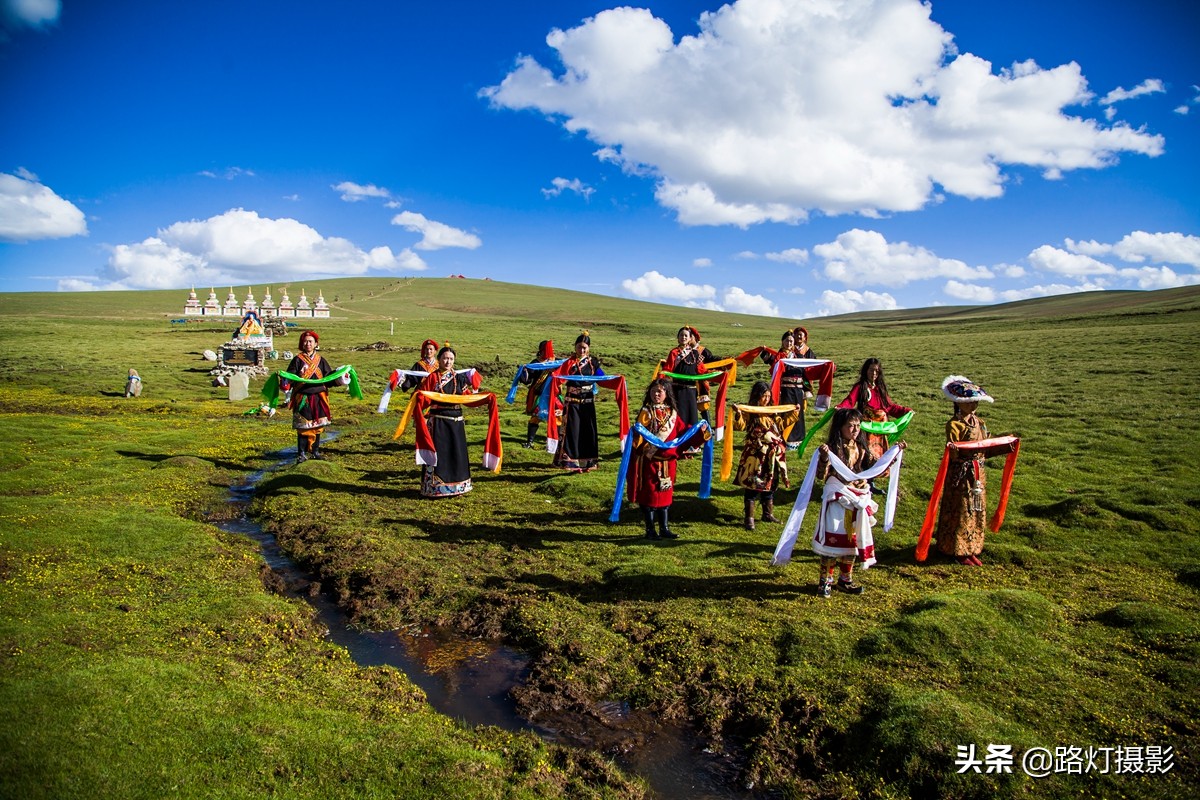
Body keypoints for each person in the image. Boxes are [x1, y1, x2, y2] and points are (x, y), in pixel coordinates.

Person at [812, 408, 877, 597]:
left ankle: (845, 580)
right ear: (840, 428)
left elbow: (874, 469)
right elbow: (820, 475)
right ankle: (825, 581)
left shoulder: (862, 448)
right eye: (850, 426)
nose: (855, 430)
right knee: (833, 540)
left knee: (852, 542)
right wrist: (824, 458)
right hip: (838, 499)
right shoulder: (831, 448)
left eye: (857, 425)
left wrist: (895, 453)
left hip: (856, 498)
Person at [934, 375, 994, 565]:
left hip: (978, 473)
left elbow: (985, 444)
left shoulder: (980, 422)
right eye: (970, 402)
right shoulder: (954, 425)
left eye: (975, 401)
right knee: (961, 510)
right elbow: (953, 452)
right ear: (960, 403)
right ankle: (956, 550)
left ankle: (972, 548)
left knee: (976, 509)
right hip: (961, 474)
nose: (974, 405)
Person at [628, 378, 691, 539]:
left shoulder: (672, 413)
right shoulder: (646, 412)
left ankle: (664, 528)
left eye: (660, 391)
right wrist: (640, 445)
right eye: (654, 391)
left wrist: (699, 430)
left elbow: (683, 431)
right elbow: (639, 434)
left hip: (667, 463)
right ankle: (650, 530)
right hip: (650, 461)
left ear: (666, 394)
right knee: (648, 495)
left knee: (666, 494)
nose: (656, 394)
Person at [733, 381, 800, 531]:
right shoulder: (750, 412)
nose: (766, 399)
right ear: (757, 396)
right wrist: (738, 413)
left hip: (772, 455)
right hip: (755, 456)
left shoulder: (773, 412)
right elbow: (741, 426)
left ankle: (767, 513)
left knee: (770, 484)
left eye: (769, 396)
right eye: (764, 396)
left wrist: (794, 412)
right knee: (753, 485)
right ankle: (749, 518)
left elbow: (781, 425)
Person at [417, 345, 480, 498]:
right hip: (438, 421)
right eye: (445, 358)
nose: (448, 361)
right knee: (440, 455)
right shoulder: (432, 378)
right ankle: (435, 488)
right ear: (439, 360)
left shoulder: (460, 378)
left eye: (451, 359)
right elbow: (424, 398)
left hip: (456, 422)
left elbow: (466, 398)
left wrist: (483, 398)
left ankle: (459, 487)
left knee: (456, 453)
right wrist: (418, 402)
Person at [281, 330, 347, 462]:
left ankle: (315, 451)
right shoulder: (297, 360)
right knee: (303, 425)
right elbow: (289, 377)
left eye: (310, 341)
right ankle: (301, 453)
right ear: (302, 343)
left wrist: (339, 375)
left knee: (317, 425)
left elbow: (328, 378)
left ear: (316, 343)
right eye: (305, 341)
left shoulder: (321, 360)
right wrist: (293, 377)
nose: (308, 344)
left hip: (319, 397)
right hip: (303, 397)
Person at [552, 332, 604, 471]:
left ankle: (588, 462)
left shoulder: (593, 363)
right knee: (572, 431)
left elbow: (602, 378)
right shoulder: (569, 363)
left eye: (584, 347)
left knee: (588, 430)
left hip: (588, 402)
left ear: (589, 348)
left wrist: (617, 380)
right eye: (579, 347)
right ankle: (569, 461)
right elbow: (558, 379)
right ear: (575, 347)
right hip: (572, 402)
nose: (581, 350)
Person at [760, 327, 817, 449]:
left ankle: (798, 440)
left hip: (798, 390)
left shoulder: (799, 357)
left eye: (791, 341)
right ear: (782, 342)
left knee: (798, 413)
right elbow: (767, 359)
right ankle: (785, 438)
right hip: (785, 390)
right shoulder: (778, 356)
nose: (789, 343)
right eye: (787, 341)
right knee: (786, 413)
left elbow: (808, 369)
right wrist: (764, 351)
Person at [516, 340, 556, 448]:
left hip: (553, 395)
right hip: (539, 395)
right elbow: (527, 380)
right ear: (541, 351)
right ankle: (530, 441)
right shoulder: (535, 363)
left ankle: (556, 442)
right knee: (535, 418)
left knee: (557, 418)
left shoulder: (556, 362)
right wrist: (524, 372)